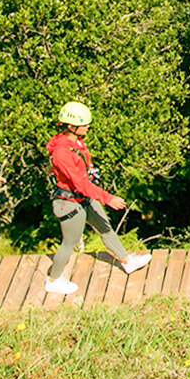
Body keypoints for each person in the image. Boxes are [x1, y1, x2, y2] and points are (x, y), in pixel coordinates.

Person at [45, 101, 151, 293]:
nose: (88, 127)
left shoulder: (76, 142)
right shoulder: (61, 153)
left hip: (84, 197)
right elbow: (79, 183)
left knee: (105, 227)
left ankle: (127, 261)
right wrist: (107, 198)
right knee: (69, 243)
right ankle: (53, 281)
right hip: (69, 203)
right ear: (71, 127)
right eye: (84, 124)